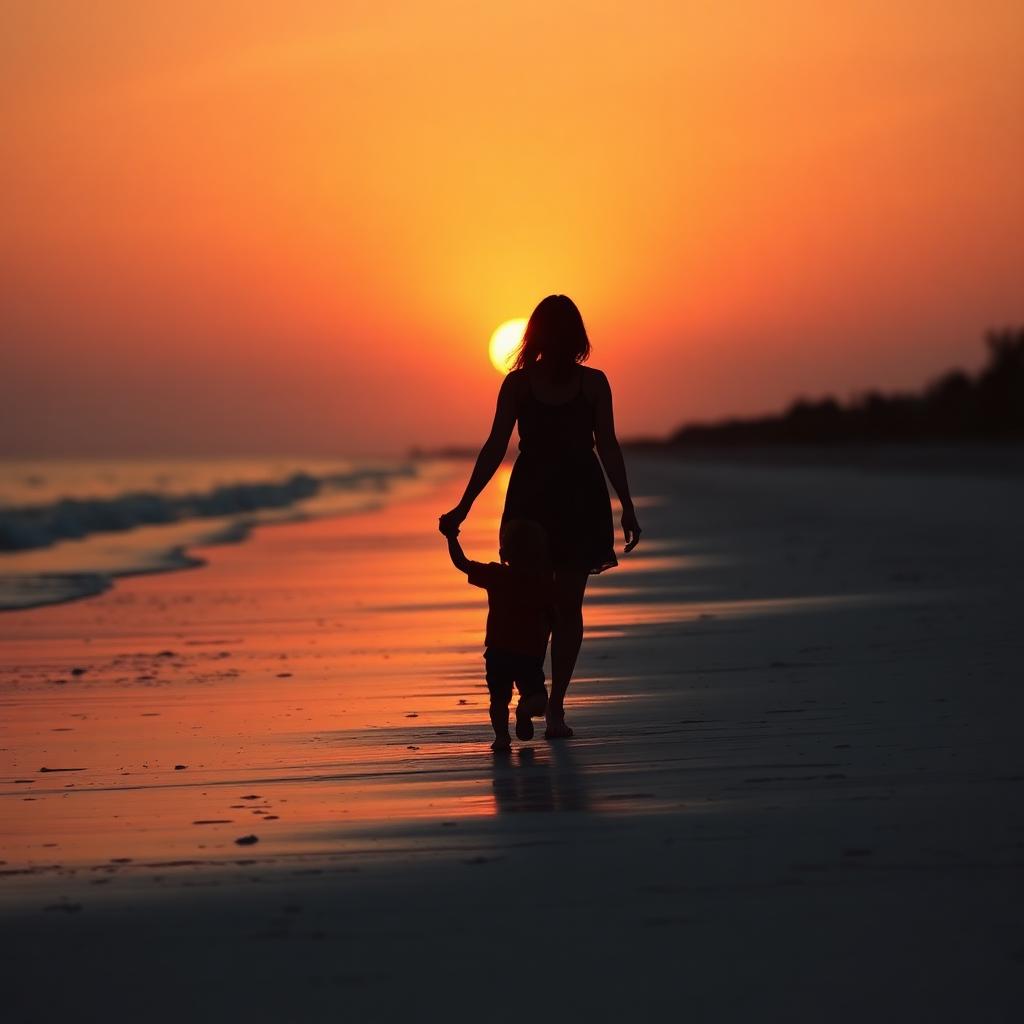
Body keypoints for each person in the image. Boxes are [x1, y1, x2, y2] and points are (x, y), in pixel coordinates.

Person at [439, 294, 640, 739]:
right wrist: (465, 505)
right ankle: (536, 693)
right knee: (535, 600)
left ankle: (554, 707)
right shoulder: (517, 385)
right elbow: (495, 447)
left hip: (578, 502)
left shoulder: (593, 385)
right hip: (533, 505)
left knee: (567, 605)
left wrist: (626, 504)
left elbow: (608, 445)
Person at [442, 518, 554, 751]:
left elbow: (461, 563)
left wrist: (451, 537)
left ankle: (502, 736)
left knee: (499, 700)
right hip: (528, 654)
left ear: (505, 550)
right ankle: (523, 712)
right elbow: (552, 617)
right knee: (539, 701)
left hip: (499, 652)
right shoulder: (542, 582)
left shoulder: (497, 574)